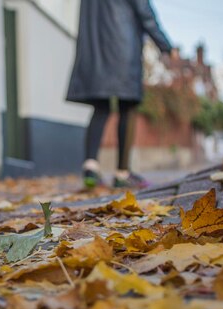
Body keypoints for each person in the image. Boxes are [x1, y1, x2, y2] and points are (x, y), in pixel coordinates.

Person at [66, 0, 173, 188]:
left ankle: (91, 166)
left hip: (95, 49)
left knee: (100, 107)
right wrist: (165, 45)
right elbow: (145, 12)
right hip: (123, 48)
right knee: (128, 106)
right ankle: (122, 173)